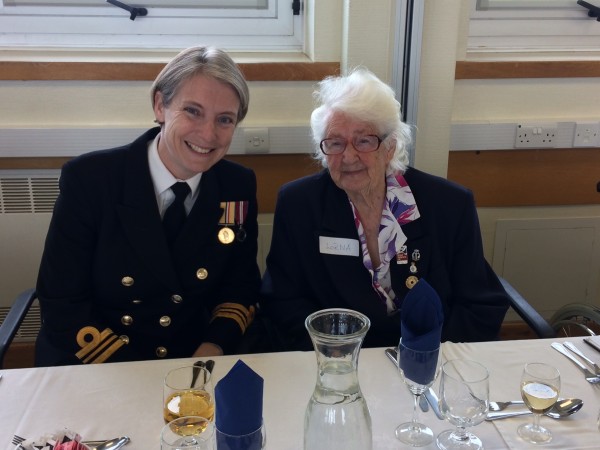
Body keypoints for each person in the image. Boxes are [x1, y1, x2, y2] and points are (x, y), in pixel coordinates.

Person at [35, 46, 261, 366]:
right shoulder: (90, 179)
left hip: (193, 360)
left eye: (225, 119)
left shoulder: (237, 185)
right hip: (100, 362)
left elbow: (240, 287)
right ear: (160, 105)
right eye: (193, 111)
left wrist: (215, 347)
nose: (208, 134)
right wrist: (139, 374)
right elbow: (62, 302)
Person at [261, 68, 510, 351]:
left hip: (429, 361)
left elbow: (480, 304)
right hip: (339, 362)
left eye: (364, 140)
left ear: (390, 147)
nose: (349, 156)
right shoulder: (299, 205)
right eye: (336, 142)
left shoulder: (449, 205)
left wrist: (423, 357)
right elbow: (282, 301)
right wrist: (337, 356)